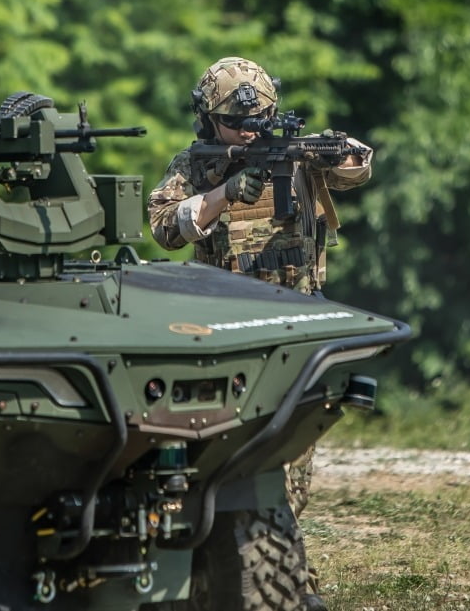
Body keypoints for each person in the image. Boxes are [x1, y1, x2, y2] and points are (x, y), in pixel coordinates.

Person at [147, 56, 372, 610]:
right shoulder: (195, 166)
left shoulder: (299, 160)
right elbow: (163, 227)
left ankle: (286, 581)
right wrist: (226, 194)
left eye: (258, 121)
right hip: (223, 337)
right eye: (235, 124)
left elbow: (357, 169)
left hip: (295, 332)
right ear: (208, 121)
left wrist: (339, 151)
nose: (249, 132)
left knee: (288, 468)